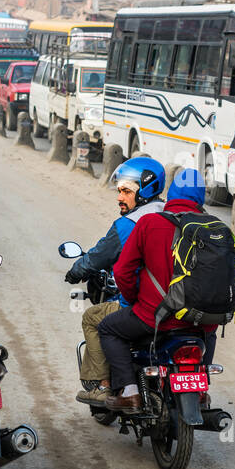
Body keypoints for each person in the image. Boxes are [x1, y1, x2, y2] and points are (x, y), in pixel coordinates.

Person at [96, 168, 219, 413]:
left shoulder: (149, 223)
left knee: (107, 328)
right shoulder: (215, 227)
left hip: (155, 316)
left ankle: (130, 392)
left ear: (170, 194)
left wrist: (135, 301)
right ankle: (201, 387)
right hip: (200, 320)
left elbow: (122, 271)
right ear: (201, 198)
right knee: (210, 331)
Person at [66, 157, 167, 405]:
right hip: (177, 303)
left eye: (126, 191)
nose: (119, 197)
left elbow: (99, 256)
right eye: (119, 190)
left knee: (93, 318)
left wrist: (75, 271)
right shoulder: (170, 214)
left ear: (145, 190)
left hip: (143, 305)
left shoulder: (127, 224)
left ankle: (103, 385)